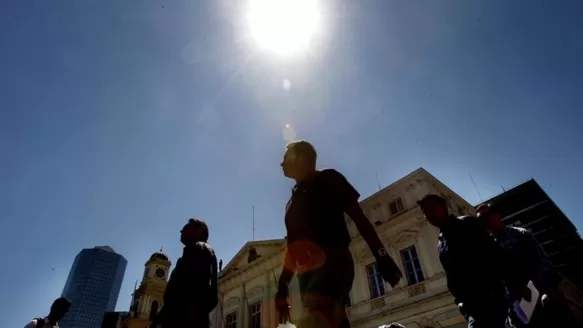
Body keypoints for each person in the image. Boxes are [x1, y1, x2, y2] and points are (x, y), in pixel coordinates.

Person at [276, 140, 402, 328]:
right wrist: (282, 287)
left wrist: (381, 255)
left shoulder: (329, 179)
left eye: (285, 157)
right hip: (308, 275)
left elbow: (359, 218)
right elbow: (293, 249)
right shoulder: (292, 203)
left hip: (333, 263)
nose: (281, 163)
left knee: (317, 319)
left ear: (300, 158)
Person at [417, 194, 518, 328]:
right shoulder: (441, 243)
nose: (428, 214)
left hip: (491, 297)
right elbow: (452, 276)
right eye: (425, 212)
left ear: (443, 207)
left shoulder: (466, 223)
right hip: (472, 306)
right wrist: (459, 301)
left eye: (431, 208)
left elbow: (494, 253)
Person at [476, 203, 577, 327]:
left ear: (497, 216)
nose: (485, 223)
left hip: (539, 298)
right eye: (481, 220)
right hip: (518, 307)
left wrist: (545, 291)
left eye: (486, 217)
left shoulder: (520, 235)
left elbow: (542, 265)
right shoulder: (490, 249)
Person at [153, 218, 218, 328]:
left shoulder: (202, 249)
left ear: (199, 231)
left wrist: (189, 317)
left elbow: (206, 291)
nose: (181, 232)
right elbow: (173, 296)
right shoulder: (187, 256)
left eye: (186, 228)